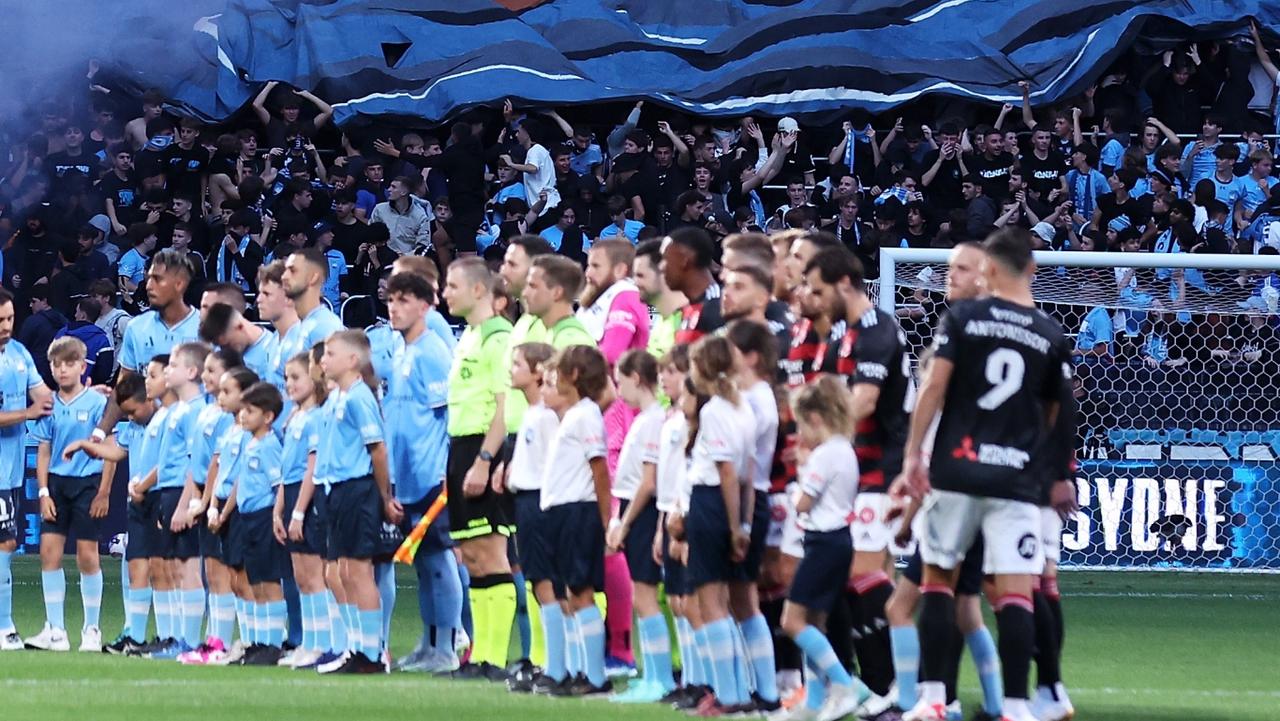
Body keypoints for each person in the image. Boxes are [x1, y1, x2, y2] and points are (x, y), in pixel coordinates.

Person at [893, 228, 1075, 721]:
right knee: (1016, 593)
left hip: (957, 472)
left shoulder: (965, 317)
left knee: (937, 584)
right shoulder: (1050, 334)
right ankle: (1017, 705)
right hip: (1016, 480)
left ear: (989, 269)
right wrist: (1050, 470)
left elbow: (934, 386)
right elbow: (1060, 413)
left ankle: (933, 698)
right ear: (1032, 269)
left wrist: (913, 456)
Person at [804, 246, 914, 707]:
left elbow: (864, 401)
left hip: (882, 470)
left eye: (817, 289)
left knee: (868, 581)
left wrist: (821, 439)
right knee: (865, 585)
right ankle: (888, 688)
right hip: (856, 472)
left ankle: (913, 689)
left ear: (844, 284)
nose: (812, 298)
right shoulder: (843, 335)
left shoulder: (877, 329)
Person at [779, 376, 875, 721]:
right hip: (839, 541)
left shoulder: (824, 454)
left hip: (823, 542)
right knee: (815, 623)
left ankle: (843, 682)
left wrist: (797, 481)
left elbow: (804, 503)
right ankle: (815, 703)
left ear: (816, 418)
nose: (802, 433)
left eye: (803, 424)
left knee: (792, 620)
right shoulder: (846, 451)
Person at [383, 272, 462, 673]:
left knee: (438, 558)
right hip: (407, 475)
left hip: (432, 473)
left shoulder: (432, 351)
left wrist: (449, 469)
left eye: (403, 300)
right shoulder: (401, 348)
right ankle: (430, 643)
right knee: (423, 562)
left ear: (426, 305)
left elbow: (449, 413)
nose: (393, 308)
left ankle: (447, 646)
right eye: (391, 300)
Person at [441, 258, 516, 680]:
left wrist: (486, 461)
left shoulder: (499, 336)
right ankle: (482, 656)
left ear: (478, 291)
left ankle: (495, 658)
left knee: (491, 552)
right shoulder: (470, 335)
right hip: (461, 447)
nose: (445, 293)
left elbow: (504, 407)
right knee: (471, 554)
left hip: (482, 450)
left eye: (453, 286)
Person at [316, 330, 399, 673]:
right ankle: (355, 646)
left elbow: (377, 449)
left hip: (357, 488)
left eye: (330, 353)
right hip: (336, 488)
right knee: (344, 571)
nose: (323, 359)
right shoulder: (338, 397)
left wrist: (384, 497)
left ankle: (371, 652)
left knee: (359, 571)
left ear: (353, 360)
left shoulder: (359, 397)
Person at [682, 336, 756, 714]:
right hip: (733, 504)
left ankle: (729, 694)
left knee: (710, 603)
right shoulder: (743, 406)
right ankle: (740, 689)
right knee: (726, 602)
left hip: (712, 504)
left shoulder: (713, 411)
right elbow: (748, 471)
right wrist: (744, 518)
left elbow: (726, 470)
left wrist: (733, 527)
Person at [25, 338, 112, 653]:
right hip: (58, 486)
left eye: (68, 363)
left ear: (82, 364)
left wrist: (103, 491)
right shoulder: (48, 404)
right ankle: (56, 630)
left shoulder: (98, 403)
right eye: (56, 364)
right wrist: (44, 492)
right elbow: (44, 450)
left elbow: (109, 449)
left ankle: (92, 628)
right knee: (49, 554)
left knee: (87, 556)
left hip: (88, 483)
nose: (62, 370)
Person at [61, 372, 158, 655]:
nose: (130, 416)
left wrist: (144, 485)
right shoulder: (135, 426)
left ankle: (173, 635)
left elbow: (172, 461)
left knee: (167, 570)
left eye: (132, 411)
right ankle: (135, 635)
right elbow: (115, 450)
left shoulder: (166, 420)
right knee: (135, 565)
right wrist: (86, 444)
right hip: (138, 502)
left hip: (163, 497)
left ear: (148, 400)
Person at [539, 345, 613, 696]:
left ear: (575, 376)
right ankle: (575, 670)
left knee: (581, 593)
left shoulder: (586, 415)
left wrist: (604, 519)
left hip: (577, 511)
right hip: (561, 510)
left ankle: (595, 676)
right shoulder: (573, 415)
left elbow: (599, 468)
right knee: (568, 593)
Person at [605, 349, 674, 702]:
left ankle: (659, 677)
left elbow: (648, 482)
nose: (618, 390)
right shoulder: (646, 418)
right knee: (642, 598)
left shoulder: (652, 421)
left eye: (621, 381)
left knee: (646, 598)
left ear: (636, 378)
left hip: (643, 513)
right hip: (636, 510)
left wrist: (625, 523)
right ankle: (654, 675)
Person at [137, 342, 210, 659]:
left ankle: (190, 641)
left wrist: (186, 504)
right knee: (177, 568)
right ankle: (177, 637)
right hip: (168, 492)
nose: (168, 370)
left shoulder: (195, 411)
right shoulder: (177, 410)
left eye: (174, 364)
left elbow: (195, 462)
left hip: (181, 493)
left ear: (192, 372)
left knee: (188, 567)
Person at [503, 342, 561, 693]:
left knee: (547, 584)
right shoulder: (532, 412)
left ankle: (558, 664)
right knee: (538, 583)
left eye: (517, 363)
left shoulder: (546, 415)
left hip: (541, 502)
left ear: (538, 370)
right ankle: (552, 663)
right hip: (526, 500)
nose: (511, 369)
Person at [227, 382, 288, 665]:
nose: (243, 415)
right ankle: (261, 641)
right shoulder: (250, 442)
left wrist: (277, 515)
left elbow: (279, 485)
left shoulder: (270, 445)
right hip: (247, 518)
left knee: (270, 581)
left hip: (264, 516)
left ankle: (274, 644)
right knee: (257, 581)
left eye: (250, 411)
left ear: (268, 417)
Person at [662, 227, 722, 345]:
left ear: (684, 260)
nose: (661, 267)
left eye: (665, 260)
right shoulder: (686, 307)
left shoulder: (718, 309)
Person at [371, 176, 433, 256]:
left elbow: (423, 245)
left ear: (404, 192)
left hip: (408, 261)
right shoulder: (379, 210)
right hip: (382, 258)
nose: (389, 190)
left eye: (393, 187)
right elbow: (371, 235)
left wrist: (406, 256)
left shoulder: (420, 216)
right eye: (390, 186)